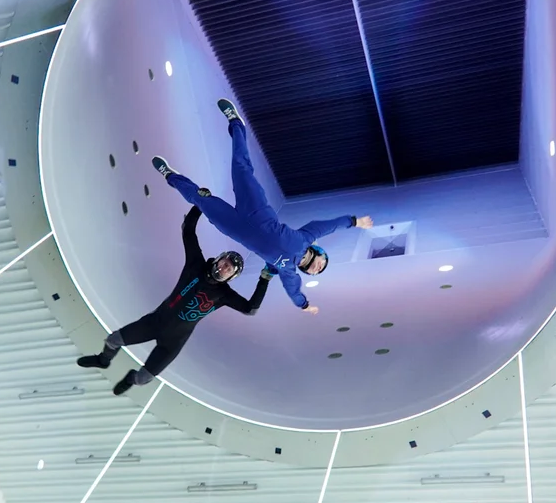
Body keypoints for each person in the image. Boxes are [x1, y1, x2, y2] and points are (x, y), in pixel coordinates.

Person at [152, 98, 373, 313]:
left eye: (318, 271)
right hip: (256, 209)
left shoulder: (288, 271)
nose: (319, 268)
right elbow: (330, 225)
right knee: (241, 167)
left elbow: (293, 291)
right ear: (319, 252)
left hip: (235, 229)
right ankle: (236, 123)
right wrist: (355, 221)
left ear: (307, 272)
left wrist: (304, 305)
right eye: (322, 264)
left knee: (199, 200)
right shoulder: (306, 237)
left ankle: (171, 176)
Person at [76, 205, 271, 395]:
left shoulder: (224, 294)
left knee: (143, 379)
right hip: (154, 322)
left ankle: (129, 379)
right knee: (113, 340)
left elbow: (250, 308)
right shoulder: (196, 265)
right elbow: (188, 230)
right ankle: (103, 361)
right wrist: (201, 204)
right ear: (219, 259)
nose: (224, 268)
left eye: (229, 269)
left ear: (231, 277)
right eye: (225, 263)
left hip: (173, 341)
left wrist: (264, 279)